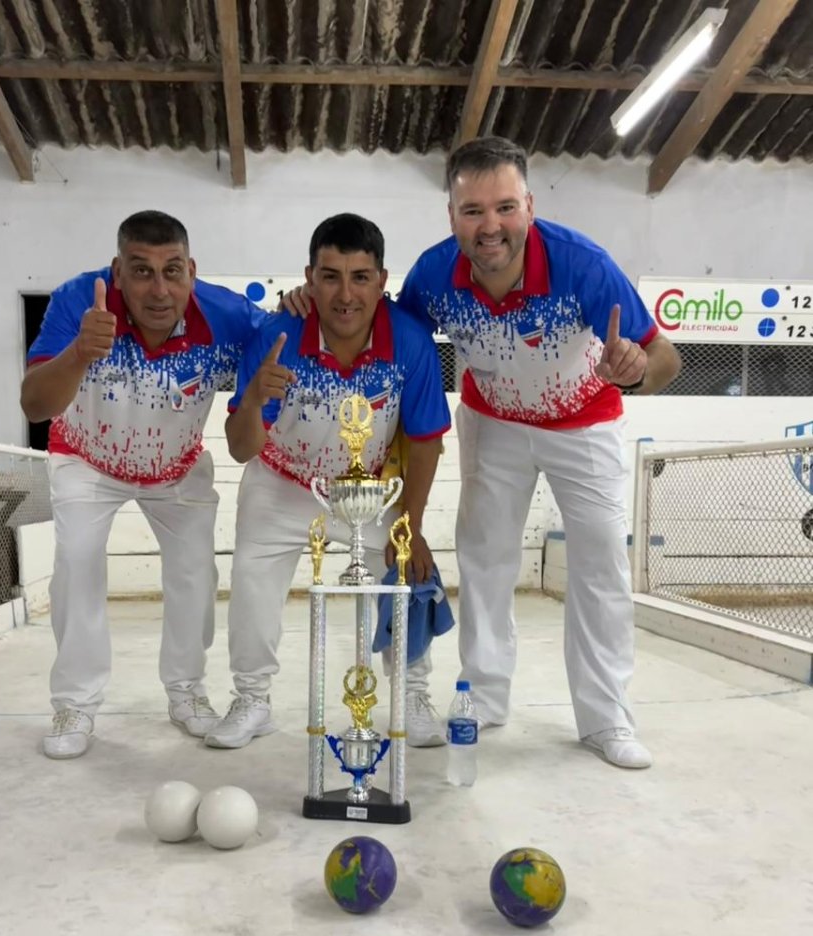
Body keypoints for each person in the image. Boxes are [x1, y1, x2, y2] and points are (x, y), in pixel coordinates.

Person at [396, 136, 682, 768]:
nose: (489, 226)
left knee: (601, 565)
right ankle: (486, 696)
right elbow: (392, 338)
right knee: (485, 557)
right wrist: (304, 309)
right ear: (451, 217)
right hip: (493, 424)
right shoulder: (433, 273)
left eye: (504, 207)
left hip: (585, 425)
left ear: (528, 204)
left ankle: (606, 719)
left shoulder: (584, 264)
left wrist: (633, 370)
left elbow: (666, 359)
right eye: (472, 211)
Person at [21, 210, 266, 760]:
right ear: (117, 272)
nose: (159, 289)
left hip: (177, 466)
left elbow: (281, 336)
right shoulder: (77, 300)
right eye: (141, 271)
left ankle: (186, 693)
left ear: (192, 270)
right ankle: (76, 703)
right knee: (77, 564)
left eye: (172, 271)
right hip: (86, 459)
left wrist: (298, 304)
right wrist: (80, 351)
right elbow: (34, 403)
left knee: (196, 573)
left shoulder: (229, 316)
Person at [204, 213, 452, 751]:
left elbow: (428, 439)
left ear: (382, 281)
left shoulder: (409, 342)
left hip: (366, 490)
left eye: (360, 277)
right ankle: (252, 698)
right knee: (251, 582)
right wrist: (250, 399)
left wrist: (409, 524)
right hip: (282, 482)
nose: (345, 294)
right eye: (331, 275)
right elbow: (241, 448)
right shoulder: (277, 335)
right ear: (309, 278)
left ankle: (410, 693)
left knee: (408, 572)